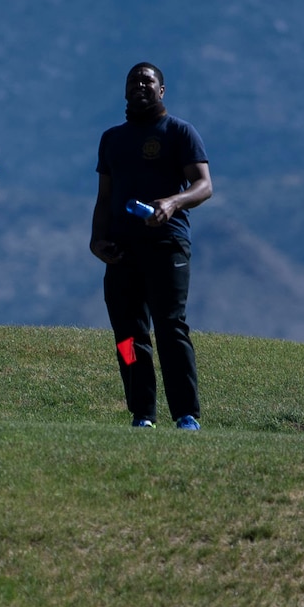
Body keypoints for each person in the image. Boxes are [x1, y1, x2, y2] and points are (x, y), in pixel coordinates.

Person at [89, 62, 213, 430]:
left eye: (147, 80)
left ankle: (185, 414)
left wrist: (172, 203)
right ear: (125, 91)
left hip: (167, 245)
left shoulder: (179, 132)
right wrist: (97, 240)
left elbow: (204, 185)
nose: (139, 85)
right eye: (132, 81)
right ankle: (142, 413)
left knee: (170, 328)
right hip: (122, 251)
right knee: (127, 336)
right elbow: (104, 198)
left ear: (162, 91)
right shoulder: (112, 138)